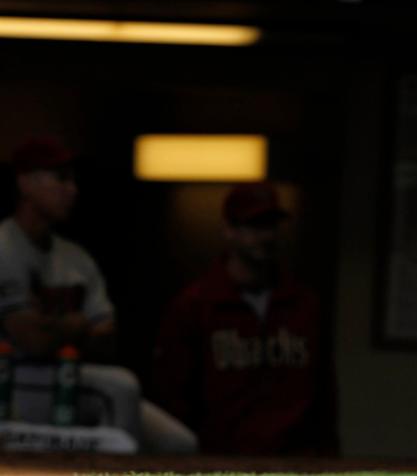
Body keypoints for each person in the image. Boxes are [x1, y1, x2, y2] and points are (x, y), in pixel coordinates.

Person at [0, 137, 196, 452]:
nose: (72, 190)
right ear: (25, 183)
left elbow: (108, 339)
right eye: (60, 178)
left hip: (68, 377)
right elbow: (32, 340)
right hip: (14, 383)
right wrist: (77, 325)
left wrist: (54, 327)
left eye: (73, 179)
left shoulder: (75, 257)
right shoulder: (4, 247)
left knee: (180, 444)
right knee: (121, 387)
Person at [152, 182, 338, 455]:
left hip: (294, 462)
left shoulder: (303, 305)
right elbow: (173, 398)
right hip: (221, 460)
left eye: (271, 225)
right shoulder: (196, 306)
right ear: (229, 230)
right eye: (254, 225)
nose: (266, 236)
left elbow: (325, 397)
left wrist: (328, 459)